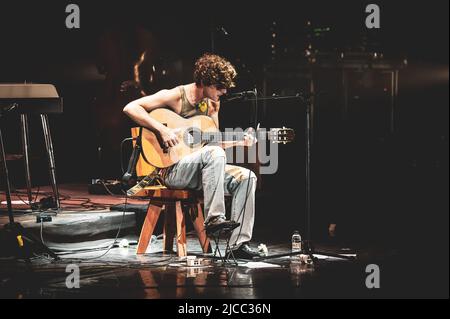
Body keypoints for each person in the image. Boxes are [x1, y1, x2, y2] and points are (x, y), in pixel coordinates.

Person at [123, 53, 260, 259]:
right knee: (214, 153)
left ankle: (238, 244)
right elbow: (130, 108)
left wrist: (241, 141)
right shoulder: (177, 96)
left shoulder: (213, 104)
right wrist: (162, 129)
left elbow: (211, 143)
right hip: (172, 170)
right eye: (219, 86)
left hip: (202, 171)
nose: (224, 91)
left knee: (247, 177)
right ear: (205, 81)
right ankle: (214, 219)